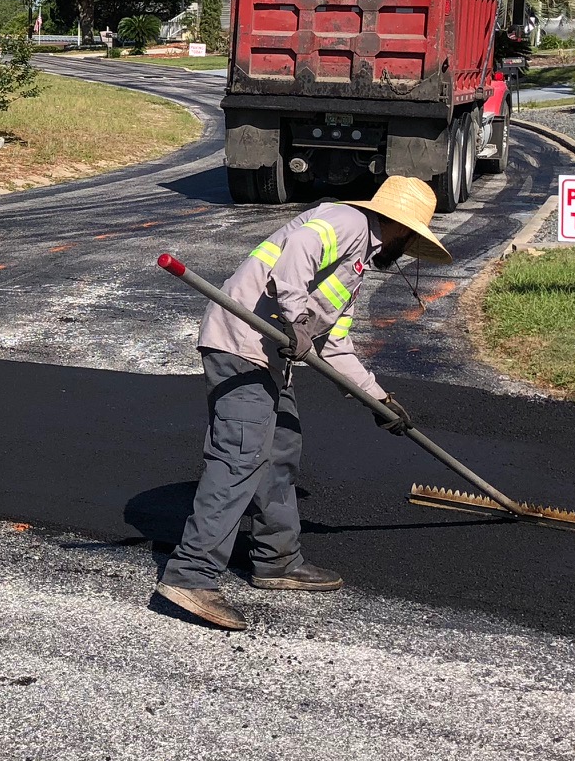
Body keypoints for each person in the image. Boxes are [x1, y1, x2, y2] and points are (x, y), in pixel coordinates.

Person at [153, 176, 451, 630]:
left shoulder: (357, 265)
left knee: (280, 452)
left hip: (271, 359)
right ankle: (190, 575)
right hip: (240, 345)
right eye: (410, 240)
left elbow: (333, 346)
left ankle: (277, 559)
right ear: (402, 227)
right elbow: (296, 256)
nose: (407, 251)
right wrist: (296, 319)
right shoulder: (347, 219)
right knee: (240, 456)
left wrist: (378, 399)